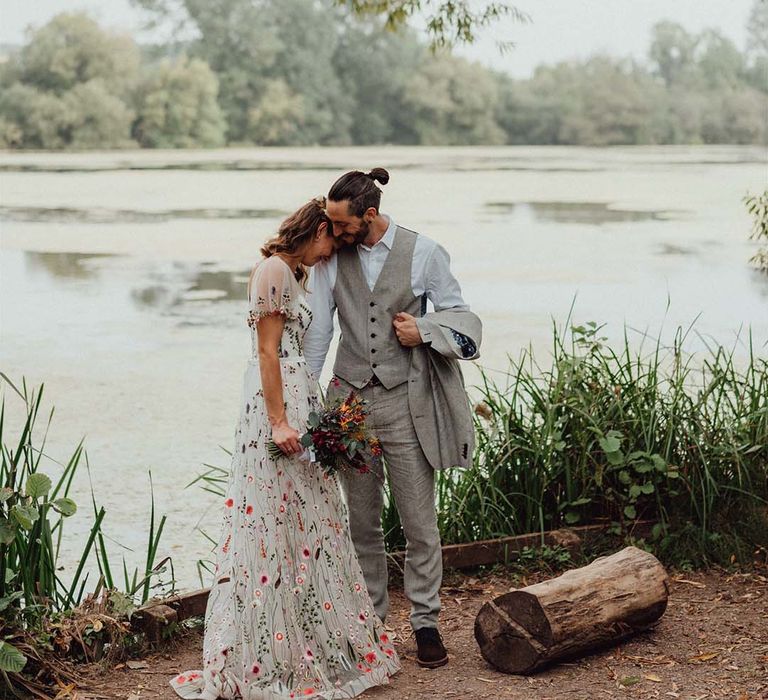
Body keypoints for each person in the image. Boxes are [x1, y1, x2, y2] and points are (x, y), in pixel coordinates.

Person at [171, 198, 401, 699]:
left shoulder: (292, 274)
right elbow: (267, 349)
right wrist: (278, 421)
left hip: (298, 399)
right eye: (330, 243)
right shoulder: (274, 270)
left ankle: (304, 633)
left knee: (307, 517)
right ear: (317, 229)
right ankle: (265, 649)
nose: (329, 255)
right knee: (271, 516)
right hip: (275, 407)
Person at [304, 169, 482, 670]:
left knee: (419, 522)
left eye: (342, 225)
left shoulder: (424, 252)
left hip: (408, 403)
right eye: (331, 225)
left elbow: (463, 318)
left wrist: (423, 330)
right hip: (349, 406)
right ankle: (372, 623)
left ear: (370, 215)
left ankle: (425, 623)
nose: (334, 234)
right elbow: (319, 333)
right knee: (361, 523)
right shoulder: (331, 261)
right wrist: (308, 399)